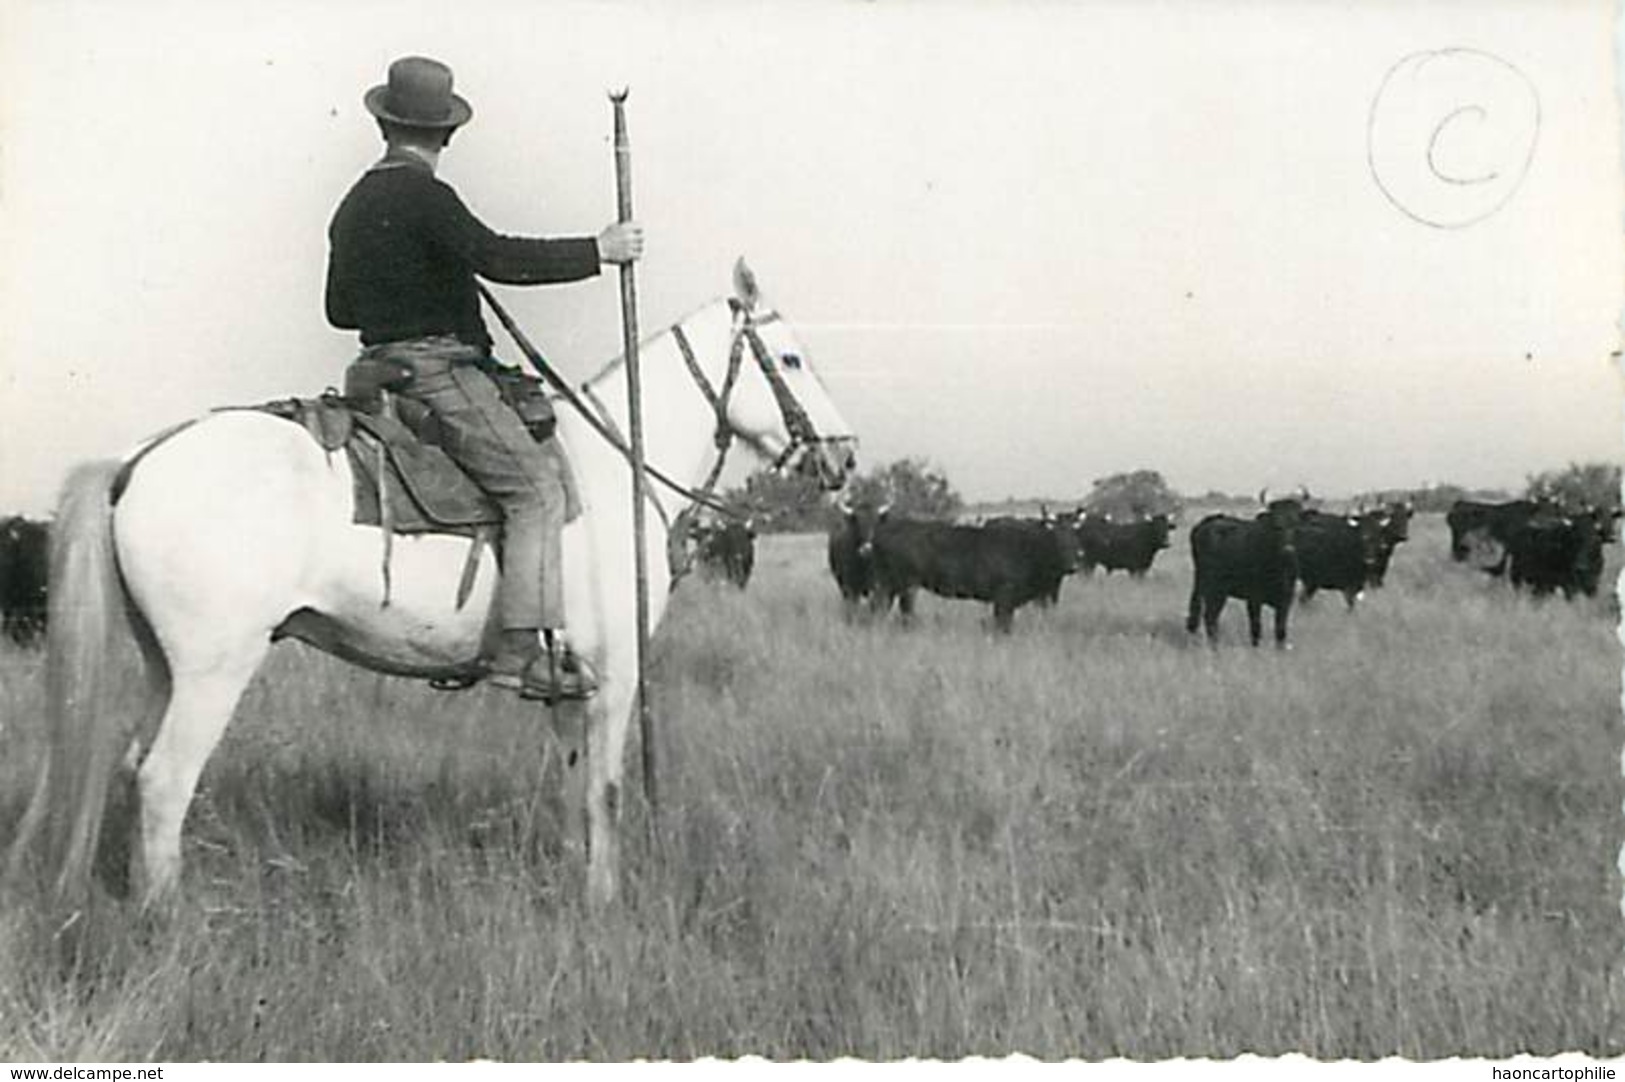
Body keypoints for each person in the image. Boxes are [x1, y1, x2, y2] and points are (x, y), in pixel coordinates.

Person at [325, 56, 644, 702]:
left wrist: (411, 284)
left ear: (384, 123)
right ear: (446, 133)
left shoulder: (352, 204)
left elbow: (339, 312)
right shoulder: (428, 196)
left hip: (372, 373)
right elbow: (497, 258)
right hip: (435, 373)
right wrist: (597, 251)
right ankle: (521, 653)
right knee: (537, 490)